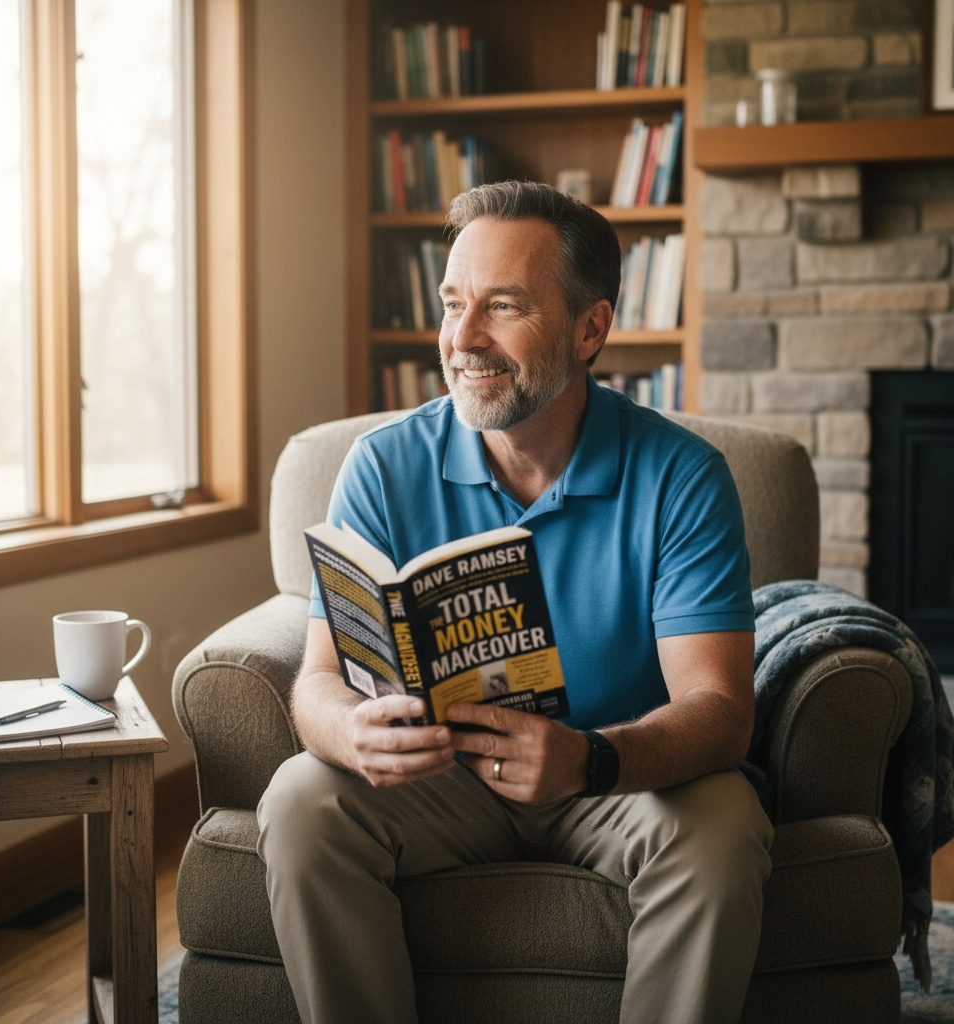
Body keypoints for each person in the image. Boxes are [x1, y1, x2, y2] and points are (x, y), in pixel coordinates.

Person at [257, 180, 774, 1024]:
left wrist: (587, 760)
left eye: (502, 306)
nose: (462, 339)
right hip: (438, 784)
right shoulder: (382, 466)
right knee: (298, 799)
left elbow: (720, 710)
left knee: (724, 823)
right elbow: (317, 682)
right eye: (453, 303)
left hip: (618, 778)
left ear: (590, 328)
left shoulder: (683, 477)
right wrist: (350, 730)